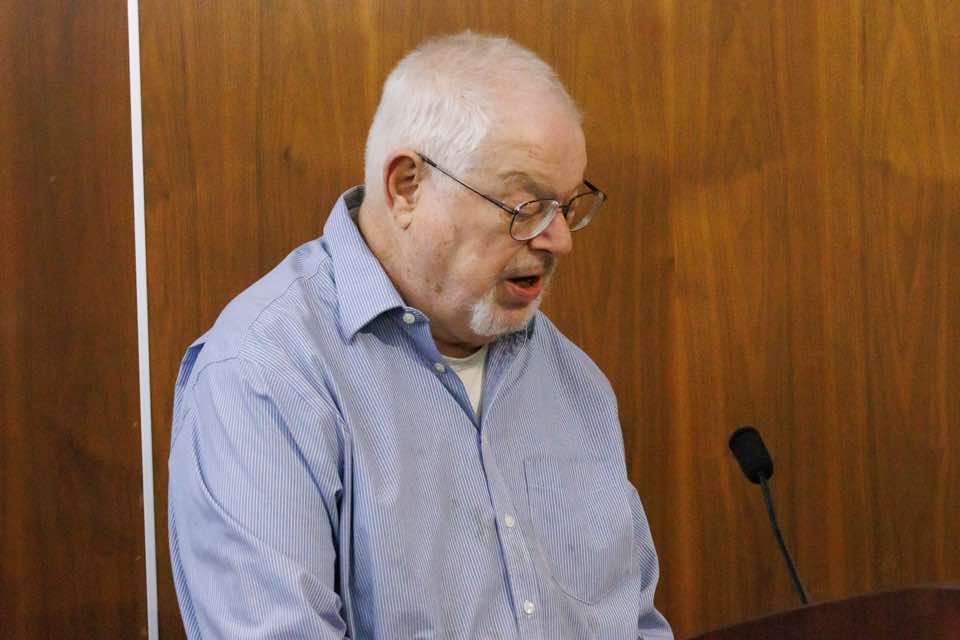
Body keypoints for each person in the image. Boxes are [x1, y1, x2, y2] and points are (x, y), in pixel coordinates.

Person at [168, 31, 673, 639]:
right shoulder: (263, 375)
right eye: (525, 208)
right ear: (406, 186)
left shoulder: (574, 383)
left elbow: (634, 622)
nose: (559, 240)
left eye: (566, 207)